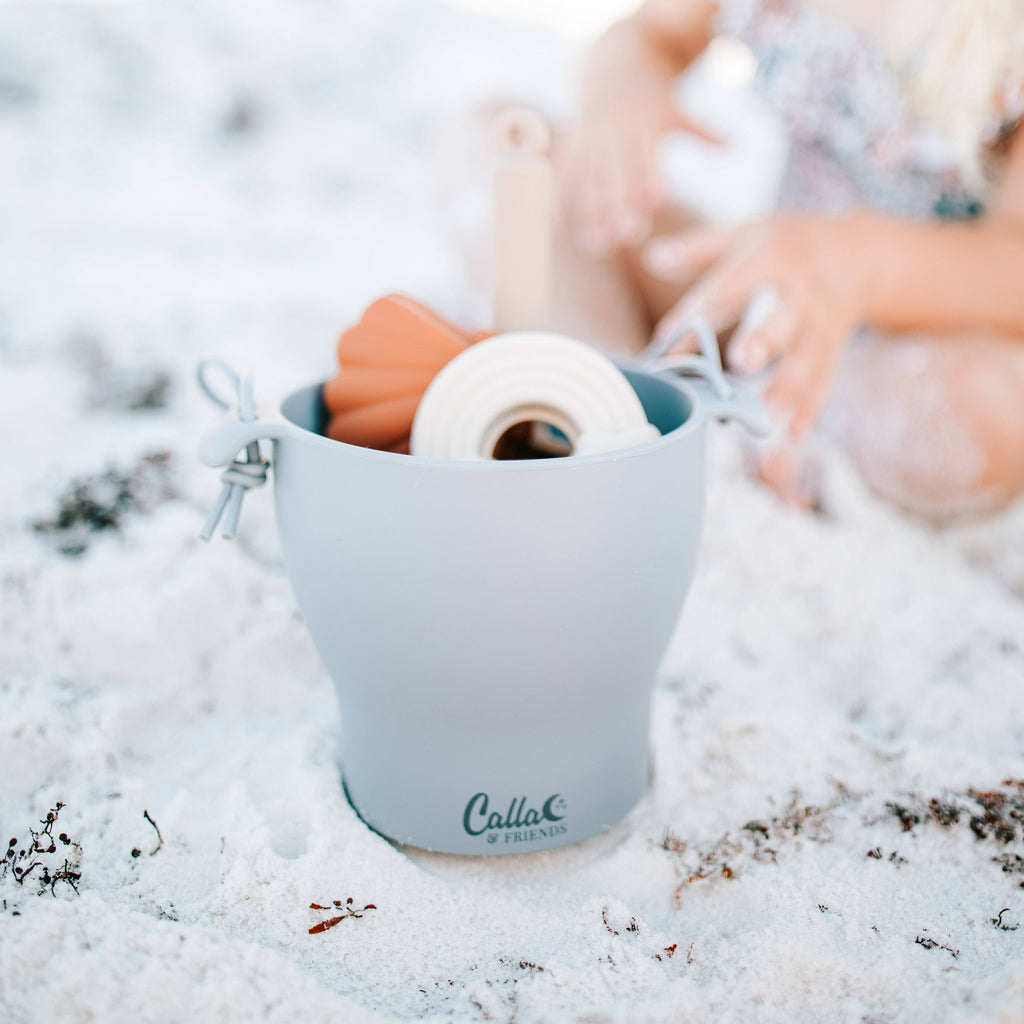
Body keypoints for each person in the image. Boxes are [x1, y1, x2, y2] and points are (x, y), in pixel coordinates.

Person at [550, 0, 1024, 519]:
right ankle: (606, 402)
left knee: (1001, 406)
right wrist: (620, 89)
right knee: (537, 166)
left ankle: (789, 434)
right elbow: (648, 33)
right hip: (768, 288)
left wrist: (859, 267)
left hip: (909, 346)